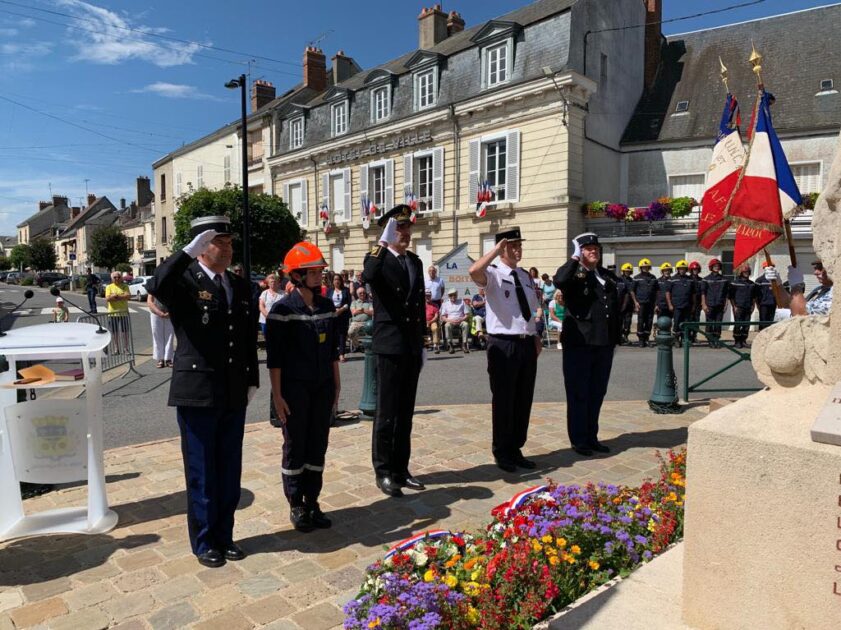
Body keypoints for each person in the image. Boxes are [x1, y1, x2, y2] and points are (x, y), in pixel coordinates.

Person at [145, 215, 259, 569]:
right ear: (201, 248)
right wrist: (186, 253)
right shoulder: (184, 280)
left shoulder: (238, 285)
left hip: (232, 389)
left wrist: (252, 378)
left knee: (229, 468)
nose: (227, 249)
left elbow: (246, 336)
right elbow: (156, 284)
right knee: (202, 470)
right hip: (197, 390)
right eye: (218, 243)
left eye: (229, 243)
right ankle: (205, 540)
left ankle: (225, 535)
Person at [266, 241, 340, 532]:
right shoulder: (282, 310)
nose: (320, 276)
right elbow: (275, 360)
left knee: (318, 444)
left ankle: (312, 500)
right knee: (295, 445)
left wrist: (336, 387)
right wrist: (278, 396)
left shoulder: (327, 307)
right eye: (314, 272)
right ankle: (296, 503)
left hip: (322, 387)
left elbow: (332, 351)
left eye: (320, 271)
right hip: (294, 390)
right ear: (296, 276)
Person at [363, 204, 426, 498]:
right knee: (387, 412)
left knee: (405, 412)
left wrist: (422, 341)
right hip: (389, 345)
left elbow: (418, 305)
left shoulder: (414, 261)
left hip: (410, 345)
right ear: (389, 230)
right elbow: (369, 274)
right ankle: (384, 471)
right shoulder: (377, 258)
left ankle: (401, 468)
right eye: (399, 227)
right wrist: (382, 242)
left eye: (407, 227)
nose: (406, 232)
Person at [469, 227, 540, 473]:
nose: (518, 250)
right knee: (504, 400)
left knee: (523, 398)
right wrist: (496, 250)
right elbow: (473, 271)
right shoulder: (493, 273)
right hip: (503, 343)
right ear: (502, 249)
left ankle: (516, 448)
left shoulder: (525, 276)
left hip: (525, 342)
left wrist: (535, 334)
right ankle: (502, 451)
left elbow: (529, 309)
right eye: (513, 246)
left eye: (519, 245)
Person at [553, 232, 620, 457]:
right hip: (579, 343)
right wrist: (574, 257)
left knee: (597, 392)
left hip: (604, 342)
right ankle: (579, 439)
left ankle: (592, 436)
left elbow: (615, 304)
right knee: (578, 392)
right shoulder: (574, 274)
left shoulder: (606, 275)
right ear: (580, 252)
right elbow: (560, 280)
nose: (594, 252)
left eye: (596, 249)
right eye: (588, 249)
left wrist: (615, 338)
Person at [765, 260, 833, 317]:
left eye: (821, 268)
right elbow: (790, 305)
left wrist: (796, 285)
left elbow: (800, 314)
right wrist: (778, 284)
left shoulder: (834, 293)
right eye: (815, 268)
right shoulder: (819, 290)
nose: (815, 272)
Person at [702, 258, 730, 347]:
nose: (716, 267)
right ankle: (710, 340)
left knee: (718, 324)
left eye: (718, 266)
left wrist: (726, 304)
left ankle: (716, 339)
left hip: (720, 304)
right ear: (711, 267)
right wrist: (704, 304)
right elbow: (703, 293)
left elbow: (726, 294)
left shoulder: (724, 279)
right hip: (709, 305)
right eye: (714, 266)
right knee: (709, 324)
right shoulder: (705, 279)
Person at [667, 260, 696, 346]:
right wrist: (670, 304)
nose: (682, 270)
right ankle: (676, 339)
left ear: (686, 269)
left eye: (684, 269)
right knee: (677, 322)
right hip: (677, 306)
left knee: (686, 323)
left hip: (687, 305)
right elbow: (668, 293)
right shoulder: (672, 279)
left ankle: (684, 339)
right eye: (680, 269)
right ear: (678, 269)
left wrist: (694, 305)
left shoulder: (690, 280)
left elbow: (693, 293)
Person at [729, 263, 757, 348]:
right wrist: (734, 306)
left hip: (748, 307)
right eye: (745, 272)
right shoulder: (734, 283)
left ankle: (743, 340)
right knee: (738, 324)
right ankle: (737, 341)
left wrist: (753, 306)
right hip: (738, 307)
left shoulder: (752, 284)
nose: (746, 273)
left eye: (747, 272)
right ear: (741, 272)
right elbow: (731, 296)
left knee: (746, 325)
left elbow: (754, 296)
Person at [632, 259, 657, 347]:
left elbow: (657, 291)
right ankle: (641, 340)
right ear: (641, 268)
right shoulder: (636, 278)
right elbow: (632, 291)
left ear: (649, 268)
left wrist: (656, 304)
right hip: (641, 303)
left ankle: (646, 338)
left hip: (650, 303)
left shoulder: (653, 277)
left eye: (647, 267)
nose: (645, 268)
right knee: (641, 320)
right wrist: (635, 302)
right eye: (643, 267)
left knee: (649, 320)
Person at [104, 270, 131, 353]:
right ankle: (116, 348)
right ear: (112, 278)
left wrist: (116, 296)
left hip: (123, 312)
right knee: (114, 332)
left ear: (121, 278)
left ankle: (126, 348)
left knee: (125, 332)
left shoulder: (125, 286)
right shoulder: (109, 287)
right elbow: (108, 299)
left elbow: (128, 296)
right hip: (112, 313)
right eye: (115, 277)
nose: (117, 278)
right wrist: (121, 296)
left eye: (119, 277)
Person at [147, 293, 174, 368]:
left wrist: (171, 312)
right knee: (157, 336)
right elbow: (149, 301)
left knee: (170, 336)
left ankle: (168, 358)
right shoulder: (154, 286)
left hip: (170, 313)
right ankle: (160, 358)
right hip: (156, 313)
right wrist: (159, 313)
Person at [329, 274, 352, 361]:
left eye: (338, 279)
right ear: (333, 281)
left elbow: (349, 303)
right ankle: (333, 353)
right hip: (332, 314)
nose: (337, 281)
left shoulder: (346, 290)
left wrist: (341, 309)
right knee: (332, 334)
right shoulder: (329, 290)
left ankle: (341, 354)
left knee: (342, 334)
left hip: (343, 314)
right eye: (335, 279)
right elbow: (327, 302)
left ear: (341, 281)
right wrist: (334, 309)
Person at [440, 288, 470, 354]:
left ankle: (464, 344)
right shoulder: (445, 304)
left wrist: (461, 319)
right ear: (449, 296)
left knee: (466, 324)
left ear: (457, 295)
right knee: (447, 325)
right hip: (450, 321)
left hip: (460, 320)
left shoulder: (461, 302)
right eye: (451, 295)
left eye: (454, 295)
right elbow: (443, 317)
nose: (453, 296)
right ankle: (451, 345)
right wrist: (450, 321)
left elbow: (467, 315)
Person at [348, 286, 374, 351]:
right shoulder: (354, 302)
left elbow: (372, 313)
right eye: (360, 293)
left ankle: (368, 346)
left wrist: (361, 310)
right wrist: (365, 311)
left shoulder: (369, 303)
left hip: (367, 323)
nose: (362, 294)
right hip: (355, 323)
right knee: (350, 332)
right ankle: (357, 346)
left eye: (364, 293)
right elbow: (354, 312)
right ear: (357, 294)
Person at [754, 261, 777, 328]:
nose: (770, 268)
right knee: (763, 322)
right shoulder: (759, 280)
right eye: (768, 267)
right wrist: (757, 304)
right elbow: (756, 294)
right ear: (764, 268)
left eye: (772, 267)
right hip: (763, 305)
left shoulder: (775, 280)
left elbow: (778, 293)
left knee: (770, 323)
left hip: (773, 304)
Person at [616, 263, 635, 345]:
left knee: (628, 322)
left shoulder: (632, 281)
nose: (627, 272)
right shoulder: (618, 280)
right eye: (626, 271)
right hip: (620, 305)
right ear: (623, 271)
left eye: (629, 271)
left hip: (629, 305)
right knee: (619, 322)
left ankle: (626, 337)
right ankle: (619, 338)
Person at [688, 261, 704, 342]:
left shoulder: (701, 280)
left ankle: (694, 336)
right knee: (689, 320)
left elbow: (703, 292)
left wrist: (702, 303)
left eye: (697, 269)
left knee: (696, 320)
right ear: (691, 270)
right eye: (694, 269)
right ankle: (688, 336)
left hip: (698, 303)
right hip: (688, 303)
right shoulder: (687, 279)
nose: (695, 271)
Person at [424, 289, 441, 353]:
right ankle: (426, 344)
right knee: (423, 328)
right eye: (426, 296)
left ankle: (435, 344)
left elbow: (436, 316)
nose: (427, 297)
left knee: (435, 328)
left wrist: (430, 322)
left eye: (429, 296)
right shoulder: (421, 305)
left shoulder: (435, 305)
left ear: (431, 296)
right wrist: (426, 322)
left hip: (432, 321)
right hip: (424, 321)